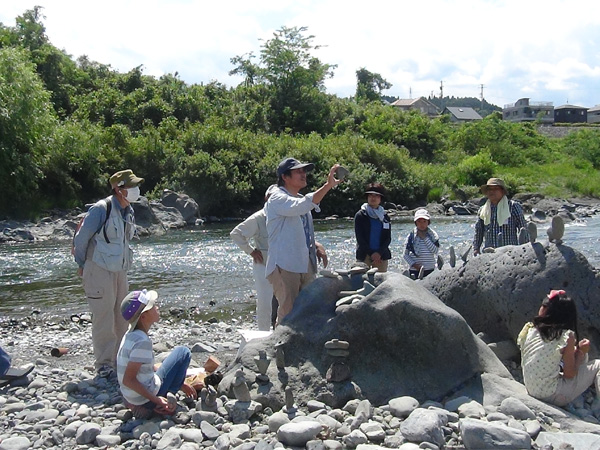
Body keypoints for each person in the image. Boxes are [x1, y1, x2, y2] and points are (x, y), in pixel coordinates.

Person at [73, 169, 143, 378]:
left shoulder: (128, 211)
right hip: (98, 269)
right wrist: (82, 264)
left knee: (123, 316)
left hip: (120, 270)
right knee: (103, 318)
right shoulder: (100, 209)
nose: (135, 190)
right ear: (118, 189)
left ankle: (118, 360)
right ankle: (103, 365)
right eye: (131, 186)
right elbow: (81, 239)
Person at [265, 157, 343, 324]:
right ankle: (279, 348)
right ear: (285, 177)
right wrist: (328, 185)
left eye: (304, 171)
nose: (303, 174)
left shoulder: (298, 198)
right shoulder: (277, 198)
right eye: (298, 171)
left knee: (308, 309)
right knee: (288, 313)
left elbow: (298, 230)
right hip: (284, 264)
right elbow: (301, 206)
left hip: (303, 262)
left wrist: (315, 245)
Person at [116, 289, 196, 418]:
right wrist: (156, 400)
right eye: (153, 306)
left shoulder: (130, 335)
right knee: (183, 352)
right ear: (143, 316)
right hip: (146, 399)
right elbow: (128, 379)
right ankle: (167, 396)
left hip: (132, 397)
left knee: (161, 365)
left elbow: (143, 368)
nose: (157, 307)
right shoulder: (142, 342)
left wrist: (180, 381)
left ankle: (148, 402)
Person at [517, 289, 600, 407]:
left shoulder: (530, 329)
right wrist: (581, 352)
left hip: (532, 389)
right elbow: (569, 374)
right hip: (552, 395)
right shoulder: (566, 336)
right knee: (598, 365)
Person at [230, 184, 279, 331]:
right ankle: (263, 333)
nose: (275, 200)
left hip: (282, 265)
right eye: (272, 197)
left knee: (286, 300)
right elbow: (236, 234)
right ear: (266, 198)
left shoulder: (284, 215)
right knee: (264, 302)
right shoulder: (258, 218)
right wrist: (251, 251)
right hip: (262, 265)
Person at [473, 177, 528, 256]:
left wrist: (525, 248)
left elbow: (523, 228)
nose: (492, 192)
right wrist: (476, 248)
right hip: (489, 253)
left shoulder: (513, 206)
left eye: (495, 189)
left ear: (502, 191)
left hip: (509, 253)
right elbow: (479, 231)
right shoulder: (483, 210)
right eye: (489, 189)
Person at [354, 183, 392, 272]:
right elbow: (360, 238)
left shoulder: (385, 216)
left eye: (376, 196)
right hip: (364, 255)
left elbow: (388, 238)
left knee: (382, 284)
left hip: (381, 256)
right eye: (370, 195)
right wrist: (372, 254)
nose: (373, 198)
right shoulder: (360, 215)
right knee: (361, 282)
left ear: (380, 198)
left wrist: (379, 253)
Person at [403, 208, 439, 279]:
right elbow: (405, 255)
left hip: (429, 269)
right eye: (419, 221)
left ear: (428, 222)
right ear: (416, 222)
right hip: (415, 270)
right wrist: (414, 264)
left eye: (424, 221)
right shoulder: (411, 236)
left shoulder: (433, 235)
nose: (422, 224)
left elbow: (435, 251)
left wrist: (425, 238)